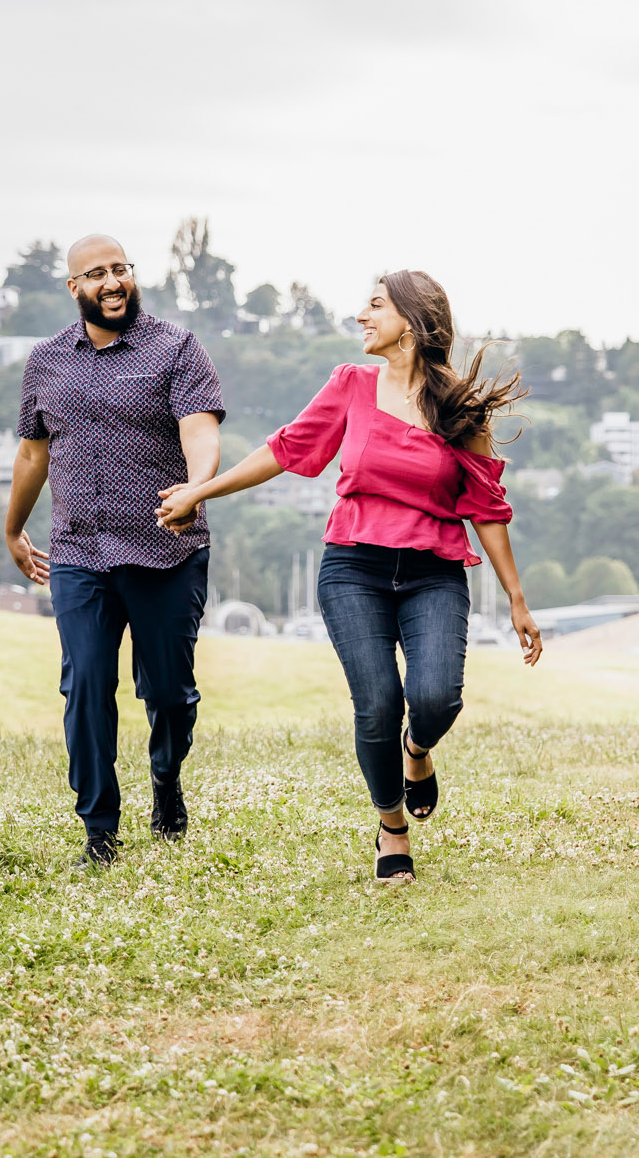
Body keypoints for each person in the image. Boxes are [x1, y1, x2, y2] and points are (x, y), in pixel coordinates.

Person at [157, 270, 542, 882]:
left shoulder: (458, 408)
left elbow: (488, 509)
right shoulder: (351, 385)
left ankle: (417, 753)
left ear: (411, 326)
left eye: (375, 307)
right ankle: (393, 829)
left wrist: (518, 601)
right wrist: (202, 491)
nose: (361, 317)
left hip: (434, 571)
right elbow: (284, 450)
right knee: (377, 704)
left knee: (435, 698)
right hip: (353, 568)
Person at [5, 234, 225, 866]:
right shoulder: (46, 361)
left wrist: (195, 484)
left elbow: (200, 430)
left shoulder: (176, 349)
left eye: (119, 270)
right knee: (86, 685)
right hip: (80, 551)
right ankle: (99, 830)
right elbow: (32, 453)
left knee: (170, 694)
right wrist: (14, 529)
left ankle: (166, 779)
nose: (110, 282)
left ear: (132, 277)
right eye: (94, 274)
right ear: (73, 288)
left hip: (167, 547)